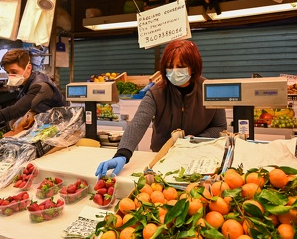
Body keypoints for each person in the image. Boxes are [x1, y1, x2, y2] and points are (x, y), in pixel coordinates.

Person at [95, 40, 227, 178]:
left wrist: (196, 140)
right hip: (162, 157)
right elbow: (139, 122)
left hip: (199, 157)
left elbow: (219, 126)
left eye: (180, 66)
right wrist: (122, 154)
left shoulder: (209, 90)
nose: (174, 71)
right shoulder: (157, 92)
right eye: (170, 67)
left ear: (193, 67)